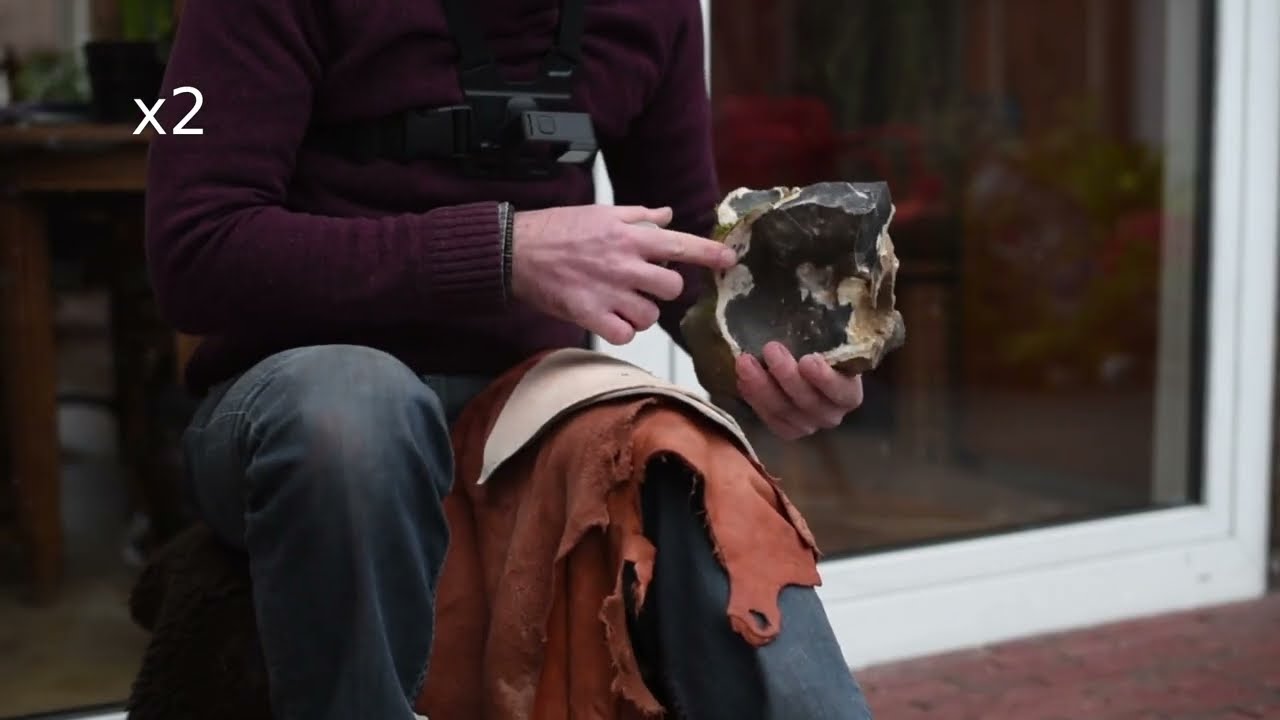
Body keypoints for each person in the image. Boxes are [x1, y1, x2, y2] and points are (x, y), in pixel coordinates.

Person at [144, 0, 874, 718]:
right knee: (355, 409)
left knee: (688, 452)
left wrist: (767, 367)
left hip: (525, 412)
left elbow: (684, 245)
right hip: (293, 397)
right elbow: (196, 253)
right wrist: (501, 253)